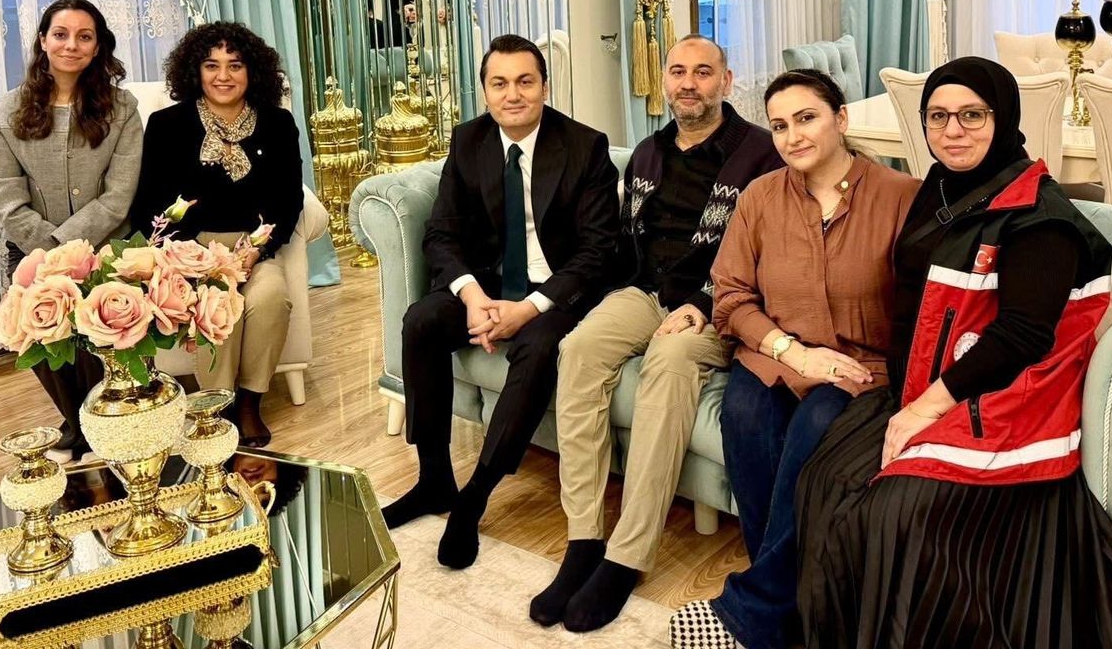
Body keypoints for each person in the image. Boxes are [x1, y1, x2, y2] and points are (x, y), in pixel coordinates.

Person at [793, 57, 1112, 647]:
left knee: (896, 511)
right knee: (826, 477)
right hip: (922, 386)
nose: (953, 131)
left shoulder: (1041, 219)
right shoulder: (941, 188)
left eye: (972, 115)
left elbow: (1022, 336)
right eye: (938, 116)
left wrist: (924, 409)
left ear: (1003, 119)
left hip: (1003, 403)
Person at [530, 35, 783, 632]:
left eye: (703, 72)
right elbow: (625, 246)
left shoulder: (760, 154)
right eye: (678, 71)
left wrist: (704, 303)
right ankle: (584, 539)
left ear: (727, 81)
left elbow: (767, 252)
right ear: (664, 81)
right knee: (579, 348)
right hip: (647, 292)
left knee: (670, 361)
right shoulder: (647, 152)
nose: (688, 83)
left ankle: (627, 554)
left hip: (721, 302)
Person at [666, 69, 919, 649]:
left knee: (815, 426)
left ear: (841, 119)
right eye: (779, 125)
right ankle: (791, 603)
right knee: (744, 417)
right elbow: (730, 296)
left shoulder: (901, 196)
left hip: (858, 368)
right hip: (772, 353)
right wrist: (792, 351)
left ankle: (756, 609)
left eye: (806, 119)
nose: (792, 136)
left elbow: (921, 306)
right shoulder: (760, 197)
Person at [382, 34, 619, 571]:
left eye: (525, 81)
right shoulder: (468, 140)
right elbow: (441, 233)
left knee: (538, 350)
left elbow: (596, 252)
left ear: (545, 87)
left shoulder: (585, 146)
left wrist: (529, 308)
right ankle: (434, 479)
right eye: (499, 83)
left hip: (556, 290)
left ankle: (476, 495)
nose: (513, 94)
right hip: (487, 284)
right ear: (485, 91)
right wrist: (471, 296)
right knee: (421, 321)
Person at [128, 22, 303, 448]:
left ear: (252, 71)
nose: (223, 76)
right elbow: (148, 203)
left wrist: (256, 250)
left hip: (252, 246)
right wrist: (187, 256)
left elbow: (288, 200)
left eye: (235, 65)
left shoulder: (277, 123)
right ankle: (218, 403)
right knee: (216, 304)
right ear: (195, 71)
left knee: (270, 298)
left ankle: (250, 402)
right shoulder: (168, 125)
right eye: (212, 65)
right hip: (190, 251)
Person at [0, 0, 142, 461]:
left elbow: (118, 196)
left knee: (101, 327)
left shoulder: (122, 109)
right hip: (33, 249)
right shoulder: (3, 113)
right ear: (43, 41)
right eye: (61, 34)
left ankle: (103, 424)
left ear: (98, 46)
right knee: (32, 323)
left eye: (84, 36)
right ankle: (77, 424)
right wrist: (51, 254)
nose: (71, 45)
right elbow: (6, 199)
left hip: (108, 243)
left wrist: (70, 251)